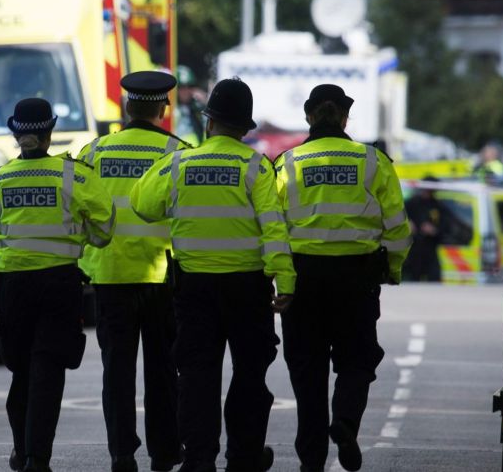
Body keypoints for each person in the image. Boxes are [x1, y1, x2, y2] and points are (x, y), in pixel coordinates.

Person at [131, 77, 293, 472]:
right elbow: (274, 227)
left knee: (197, 375)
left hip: (195, 288)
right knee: (250, 374)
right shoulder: (255, 165)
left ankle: (200, 458)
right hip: (248, 288)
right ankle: (244, 456)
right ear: (244, 128)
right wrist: (285, 282)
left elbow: (143, 204)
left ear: (209, 123)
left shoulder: (179, 162)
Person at [273, 84, 411, 472]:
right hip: (357, 277)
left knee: (307, 370)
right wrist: (393, 269)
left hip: (304, 279)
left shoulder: (286, 163)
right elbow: (398, 227)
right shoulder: (373, 161)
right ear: (345, 117)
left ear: (308, 116)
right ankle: (346, 421)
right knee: (357, 360)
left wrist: (281, 281)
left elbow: (273, 227)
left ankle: (311, 459)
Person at [0, 98, 115, 472]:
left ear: (15, 133)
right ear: (50, 131)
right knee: (48, 368)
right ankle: (38, 456)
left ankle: (22, 450)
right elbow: (105, 228)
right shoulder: (76, 176)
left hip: (12, 285)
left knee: (21, 370)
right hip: (58, 282)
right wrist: (78, 238)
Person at [76, 71, 189, 472]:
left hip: (110, 276)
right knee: (163, 369)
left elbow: (81, 210)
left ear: (127, 106)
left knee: (117, 373)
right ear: (163, 108)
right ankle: (164, 452)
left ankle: (122, 453)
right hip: (162, 276)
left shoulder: (95, 152)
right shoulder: (179, 153)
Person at [402, 177, 446, 283]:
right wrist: (406, 224)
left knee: (434, 280)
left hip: (430, 248)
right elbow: (395, 217)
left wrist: (434, 230)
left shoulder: (438, 206)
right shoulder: (411, 203)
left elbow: (445, 227)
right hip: (413, 249)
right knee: (412, 280)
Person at [173, 65, 205, 147]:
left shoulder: (198, 107)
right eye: (182, 87)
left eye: (189, 87)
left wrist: (205, 104)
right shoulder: (171, 110)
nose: (186, 91)